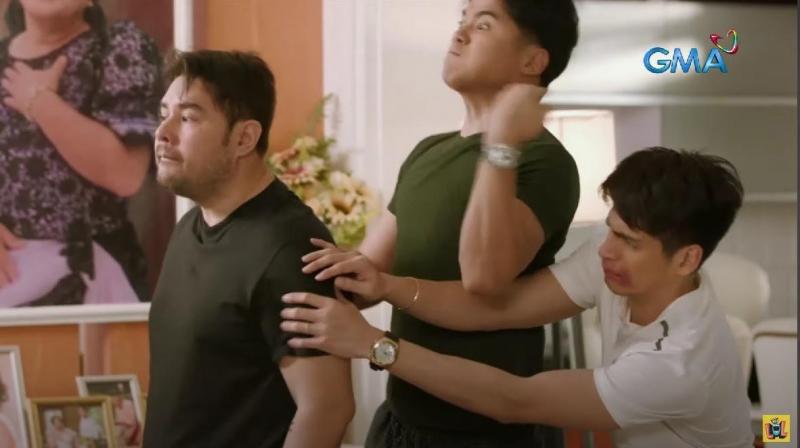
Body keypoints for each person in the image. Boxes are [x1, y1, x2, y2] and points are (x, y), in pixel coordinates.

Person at [283, 147, 755, 448]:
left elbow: (516, 400)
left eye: (629, 242)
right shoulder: (611, 261)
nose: (606, 250)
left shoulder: (679, 362)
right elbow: (502, 307)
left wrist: (373, 344)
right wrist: (387, 285)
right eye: (611, 229)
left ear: (686, 259)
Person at [293, 0, 579, 446]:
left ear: (532, 60)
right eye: (462, 20)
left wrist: (501, 139)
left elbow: (484, 277)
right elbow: (364, 277)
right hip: (401, 419)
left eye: (483, 25)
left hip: (483, 434)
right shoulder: (427, 152)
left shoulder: (547, 162)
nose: (459, 34)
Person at [143, 50, 354, 448]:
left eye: (187, 118)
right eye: (163, 114)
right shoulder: (190, 226)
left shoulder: (289, 247)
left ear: (244, 138)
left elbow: (328, 408)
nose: (162, 132)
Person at [0, 0, 162, 305]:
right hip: (9, 278)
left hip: (94, 279)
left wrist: (41, 103)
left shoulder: (117, 47)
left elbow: (125, 176)